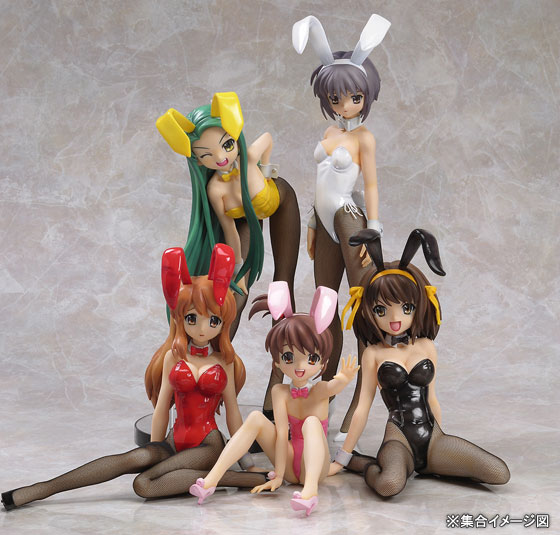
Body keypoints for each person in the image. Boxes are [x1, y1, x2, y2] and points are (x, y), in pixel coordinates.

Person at [1, 244, 265, 510]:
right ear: (180, 319)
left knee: (144, 483)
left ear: (222, 322)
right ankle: (37, 490)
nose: (201, 328)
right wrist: (154, 450)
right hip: (174, 440)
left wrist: (247, 463)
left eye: (213, 321)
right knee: (132, 458)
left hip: (209, 445)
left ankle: (230, 477)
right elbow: (162, 409)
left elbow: (233, 415)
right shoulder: (173, 357)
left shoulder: (223, 361)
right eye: (192, 318)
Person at [329, 229, 510, 496]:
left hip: (433, 438)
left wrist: (444, 448)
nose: (395, 318)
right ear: (368, 310)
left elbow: (432, 398)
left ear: (419, 305)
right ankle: (363, 463)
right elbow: (362, 408)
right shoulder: (373, 354)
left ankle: (429, 465)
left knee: (499, 472)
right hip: (398, 440)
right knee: (389, 485)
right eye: (381, 309)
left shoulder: (426, 346)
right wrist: (342, 458)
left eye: (406, 308)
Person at [156, 92, 301, 416]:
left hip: (279, 201)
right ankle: (209, 380)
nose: (221, 158)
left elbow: (267, 138)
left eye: (226, 145)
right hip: (245, 218)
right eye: (207, 155)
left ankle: (279, 383)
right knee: (234, 297)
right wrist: (238, 271)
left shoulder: (247, 158)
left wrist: (265, 169)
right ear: (198, 161)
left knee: (282, 287)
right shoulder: (215, 189)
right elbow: (231, 233)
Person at [292, 15, 391, 431]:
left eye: (353, 97)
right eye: (335, 98)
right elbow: (319, 182)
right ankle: (323, 393)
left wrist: (374, 227)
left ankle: (358, 403)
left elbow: (370, 184)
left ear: (366, 96)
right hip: (325, 221)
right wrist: (311, 224)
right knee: (324, 306)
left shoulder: (363, 138)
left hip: (351, 222)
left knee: (362, 306)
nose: (344, 105)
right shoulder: (329, 131)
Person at [188, 281, 359, 516]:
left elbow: (334, 386)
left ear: (323, 363)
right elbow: (280, 434)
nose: (300, 366)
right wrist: (278, 474)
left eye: (311, 359)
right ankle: (210, 481)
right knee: (256, 417)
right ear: (277, 362)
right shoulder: (280, 392)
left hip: (315, 469)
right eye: (289, 357)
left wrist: (344, 378)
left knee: (311, 422)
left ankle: (310, 493)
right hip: (289, 465)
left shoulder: (319, 389)